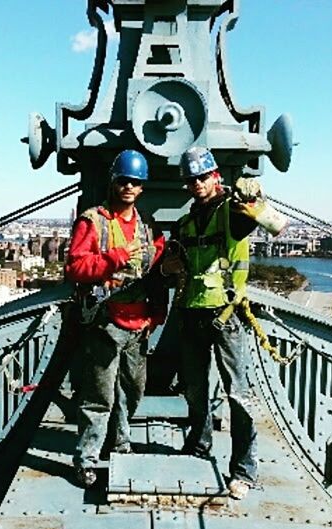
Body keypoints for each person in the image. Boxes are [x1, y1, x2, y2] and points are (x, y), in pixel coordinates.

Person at [163, 146, 263, 500]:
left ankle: (244, 472)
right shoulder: (188, 221)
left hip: (226, 316)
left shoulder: (231, 212)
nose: (197, 184)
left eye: (203, 177)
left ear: (216, 176)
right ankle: (199, 445)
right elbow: (173, 263)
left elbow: (262, 221)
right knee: (195, 390)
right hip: (192, 312)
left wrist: (253, 198)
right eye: (192, 180)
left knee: (238, 395)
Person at [66, 150, 166, 488]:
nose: (128, 186)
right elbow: (76, 267)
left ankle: (121, 442)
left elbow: (157, 272)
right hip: (106, 321)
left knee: (132, 391)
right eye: (124, 180)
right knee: (99, 396)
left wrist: (157, 312)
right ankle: (86, 459)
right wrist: (115, 258)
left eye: (135, 182)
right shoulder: (93, 221)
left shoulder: (147, 227)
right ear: (114, 181)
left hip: (138, 326)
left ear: (141, 188)